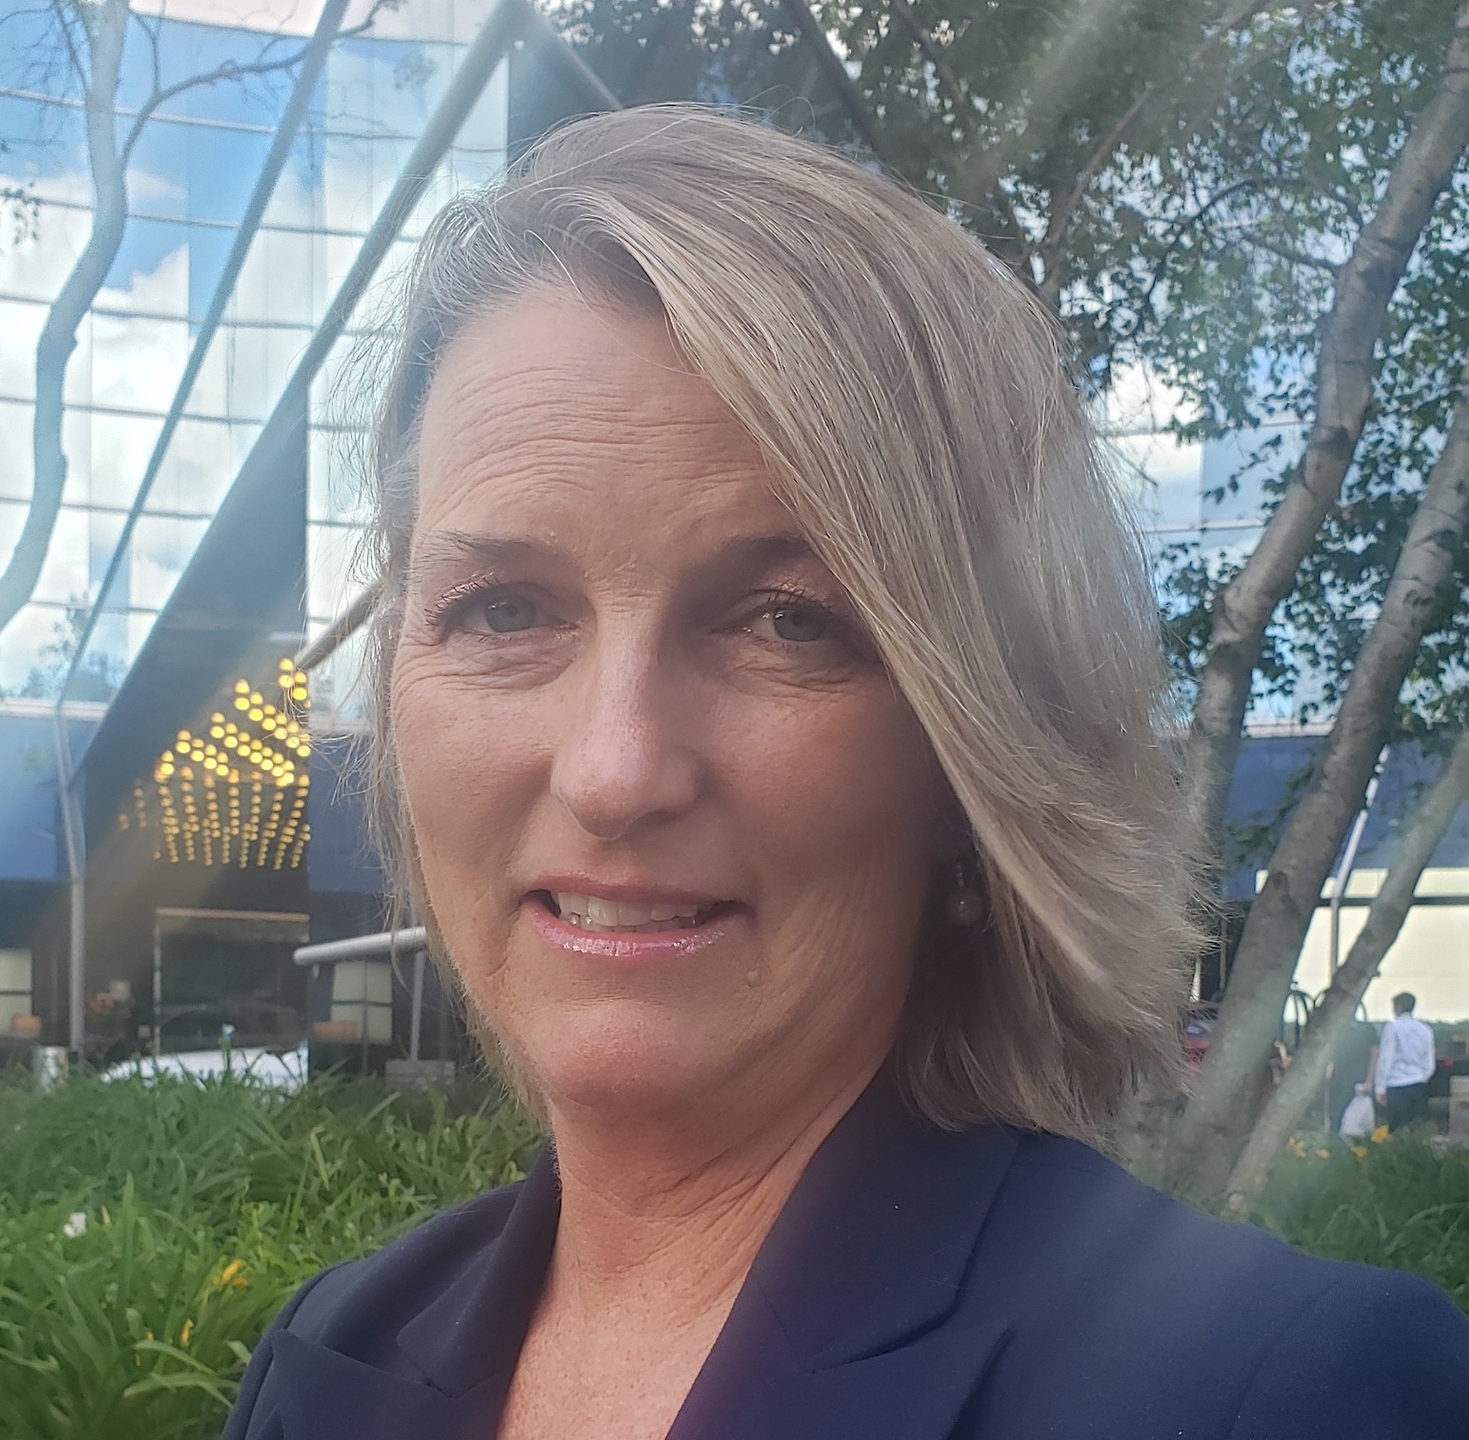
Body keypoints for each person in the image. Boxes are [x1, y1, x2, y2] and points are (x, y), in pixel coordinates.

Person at [223, 107, 1469, 1440]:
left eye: (786, 621)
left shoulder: (1284, 1393)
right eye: (505, 610)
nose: (613, 772)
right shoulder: (327, 1348)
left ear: (972, 753)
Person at [1376, 991, 1437, 1133]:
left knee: (1396, 1129)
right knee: (1415, 1129)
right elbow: (1429, 1060)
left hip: (1396, 1084)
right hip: (1418, 1083)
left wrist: (1380, 1087)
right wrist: (1423, 1076)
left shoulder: (1392, 1027)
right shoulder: (1425, 1029)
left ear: (1398, 1007)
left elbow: (1386, 1059)